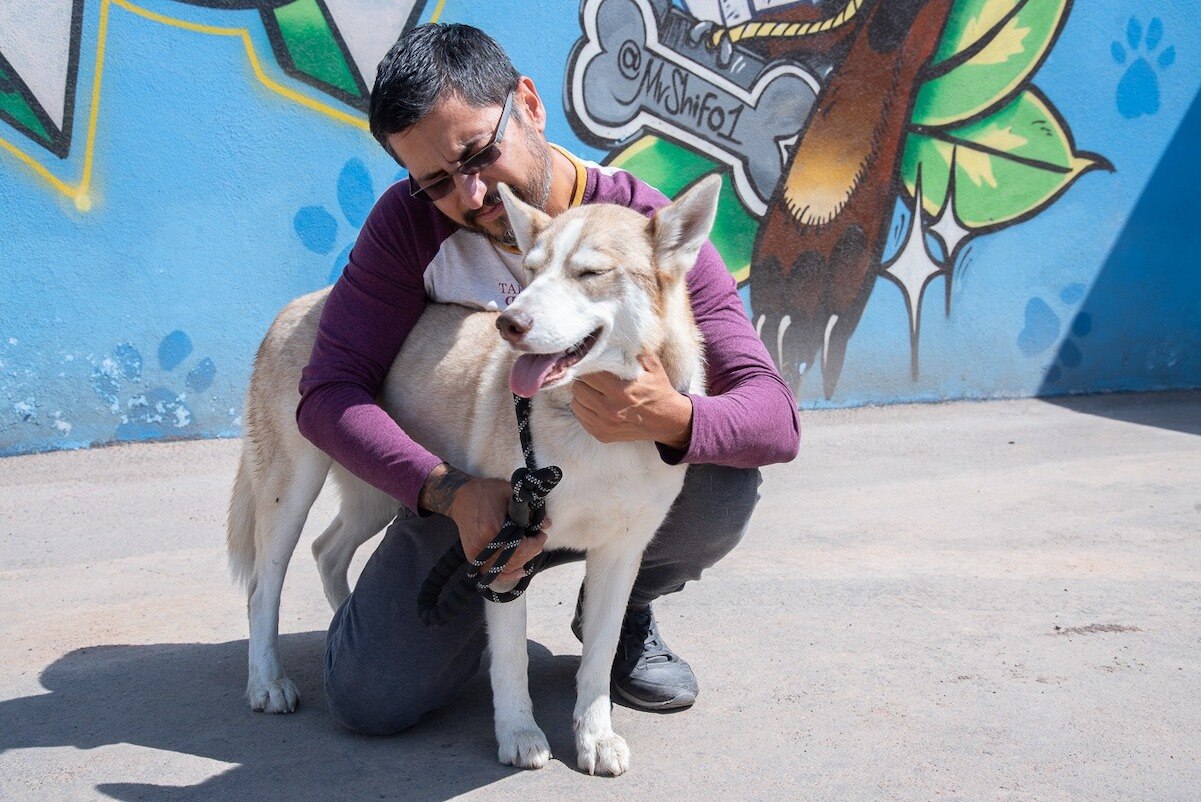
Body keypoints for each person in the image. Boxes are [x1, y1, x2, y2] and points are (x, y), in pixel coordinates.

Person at [297, 23, 800, 735]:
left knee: (722, 475)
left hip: (618, 486)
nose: (469, 195)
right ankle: (448, 619)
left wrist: (670, 419)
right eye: (435, 182)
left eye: (477, 154)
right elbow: (326, 396)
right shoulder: (407, 227)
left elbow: (774, 417)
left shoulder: (645, 229)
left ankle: (619, 610)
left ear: (527, 104)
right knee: (371, 695)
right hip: (479, 489)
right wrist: (445, 491)